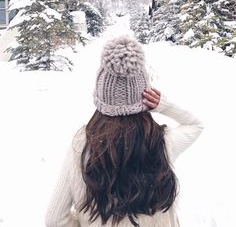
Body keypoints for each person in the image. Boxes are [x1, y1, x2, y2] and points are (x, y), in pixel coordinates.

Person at [45, 36, 203, 227]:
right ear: (145, 97)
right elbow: (195, 125)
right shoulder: (161, 142)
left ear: (101, 97)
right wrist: (164, 105)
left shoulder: (82, 145)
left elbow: (54, 219)